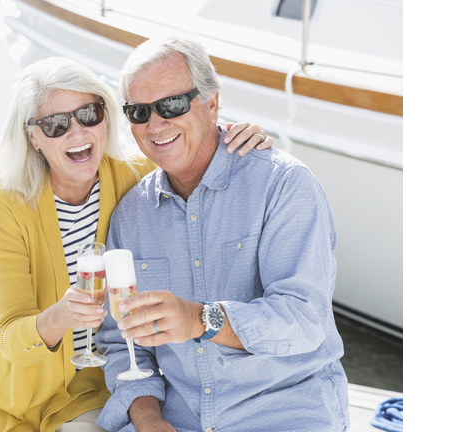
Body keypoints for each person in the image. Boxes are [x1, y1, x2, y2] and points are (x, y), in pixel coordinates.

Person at [0, 56, 273, 432]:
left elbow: (194, 148)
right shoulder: (7, 203)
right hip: (7, 397)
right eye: (55, 124)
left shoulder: (137, 176)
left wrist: (240, 136)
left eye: (88, 113)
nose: (76, 132)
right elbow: (8, 339)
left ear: (106, 116)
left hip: (91, 390)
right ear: (33, 137)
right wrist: (61, 316)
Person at [95, 36, 349, 432]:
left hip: (284, 413)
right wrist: (148, 419)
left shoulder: (283, 185)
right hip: (179, 418)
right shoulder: (130, 216)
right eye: (139, 111)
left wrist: (201, 319)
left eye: (172, 105)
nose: (156, 124)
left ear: (212, 102)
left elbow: (303, 318)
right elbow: (122, 344)